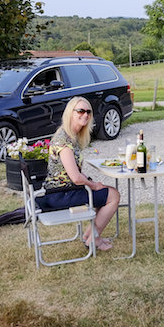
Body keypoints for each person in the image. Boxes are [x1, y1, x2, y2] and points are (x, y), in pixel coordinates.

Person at [35, 96, 120, 251]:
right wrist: (93, 185)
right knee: (113, 195)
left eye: (88, 112)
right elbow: (75, 177)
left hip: (64, 190)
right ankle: (92, 239)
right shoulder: (64, 141)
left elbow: (73, 173)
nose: (85, 115)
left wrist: (91, 183)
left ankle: (90, 236)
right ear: (70, 113)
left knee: (108, 192)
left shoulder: (70, 136)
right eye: (80, 111)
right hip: (60, 194)